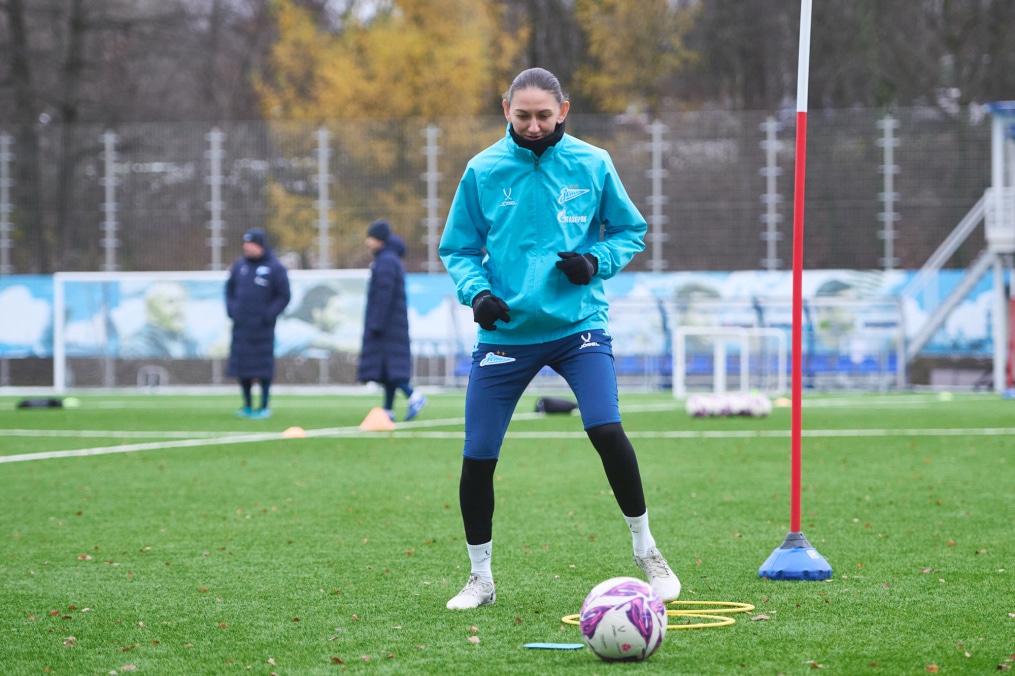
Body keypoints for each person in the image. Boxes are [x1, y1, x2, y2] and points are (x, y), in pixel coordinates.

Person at [437, 67, 680, 610]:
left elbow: (629, 230)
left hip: (578, 328)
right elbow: (457, 249)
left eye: (544, 115)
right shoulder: (482, 170)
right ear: (506, 110)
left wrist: (595, 262)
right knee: (478, 456)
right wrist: (477, 295)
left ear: (563, 111)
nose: (533, 125)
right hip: (507, 333)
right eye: (522, 115)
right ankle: (481, 578)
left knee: (605, 427)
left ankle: (647, 550)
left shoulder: (593, 163)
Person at [356, 219, 426, 422]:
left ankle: (414, 396)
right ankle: (388, 410)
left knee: (392, 368)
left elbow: (383, 294)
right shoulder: (389, 258)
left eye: (370, 238)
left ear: (379, 239)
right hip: (392, 323)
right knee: (386, 369)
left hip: (387, 325)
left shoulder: (386, 261)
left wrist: (376, 322)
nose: (367, 242)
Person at [225, 227, 291, 419]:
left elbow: (284, 295)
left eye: (250, 244)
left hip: (263, 329)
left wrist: (268, 315)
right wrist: (233, 311)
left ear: (260, 245)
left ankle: (263, 406)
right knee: (242, 367)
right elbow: (229, 291)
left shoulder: (275, 268)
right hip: (241, 327)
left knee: (262, 367)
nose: (247, 247)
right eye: (245, 244)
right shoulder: (239, 266)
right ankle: (246, 405)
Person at [119, 282, 199, 359]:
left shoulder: (191, 342)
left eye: (182, 301)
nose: (180, 309)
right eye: (170, 302)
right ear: (152, 314)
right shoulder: (137, 349)